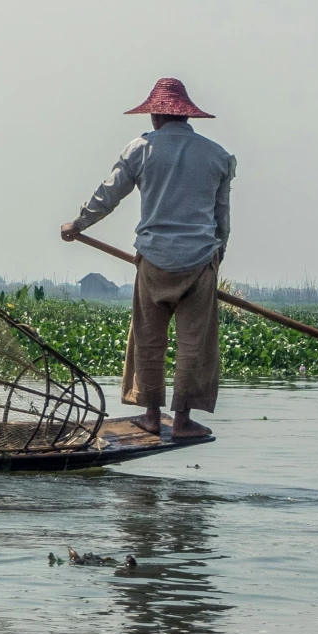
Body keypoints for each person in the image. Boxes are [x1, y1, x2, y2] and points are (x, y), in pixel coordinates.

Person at [59, 78, 235, 439]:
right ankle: (183, 422)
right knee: (194, 343)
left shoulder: (140, 149)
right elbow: (222, 219)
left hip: (153, 259)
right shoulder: (218, 156)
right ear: (187, 117)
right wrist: (217, 257)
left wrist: (78, 223)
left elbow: (108, 194)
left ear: (155, 115)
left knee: (148, 340)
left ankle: (152, 416)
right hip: (200, 261)